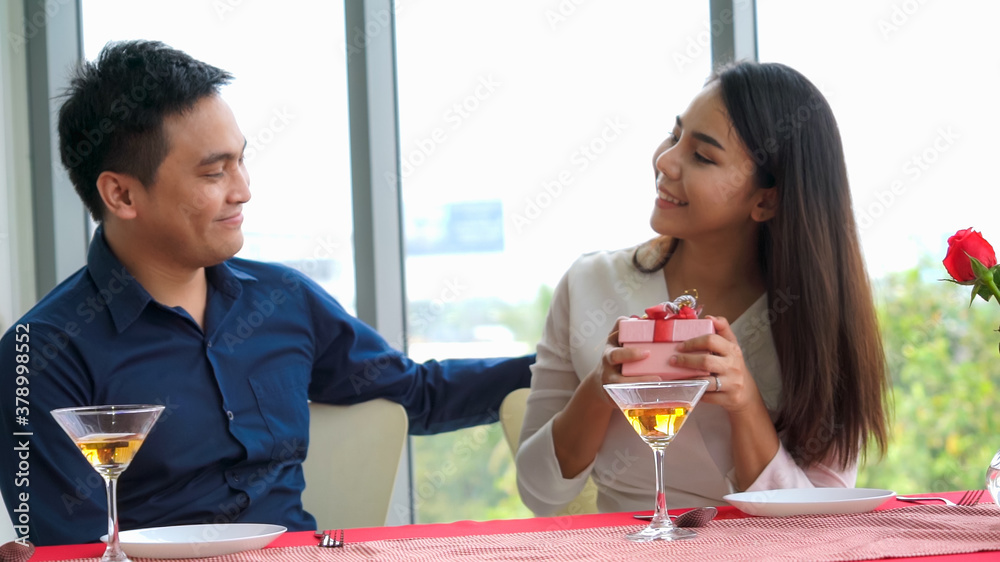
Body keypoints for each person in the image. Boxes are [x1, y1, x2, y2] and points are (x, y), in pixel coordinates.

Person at [0, 40, 533, 546]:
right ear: (120, 193)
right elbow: (67, 550)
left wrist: (565, 365)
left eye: (240, 160)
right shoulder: (40, 353)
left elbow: (418, 394)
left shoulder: (284, 299)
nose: (243, 190)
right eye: (214, 172)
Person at [515, 61, 890, 515]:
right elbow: (538, 492)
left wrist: (745, 403)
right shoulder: (589, 285)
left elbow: (818, 520)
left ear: (766, 199)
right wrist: (601, 387)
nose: (664, 161)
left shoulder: (818, 320)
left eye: (702, 156)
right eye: (674, 137)